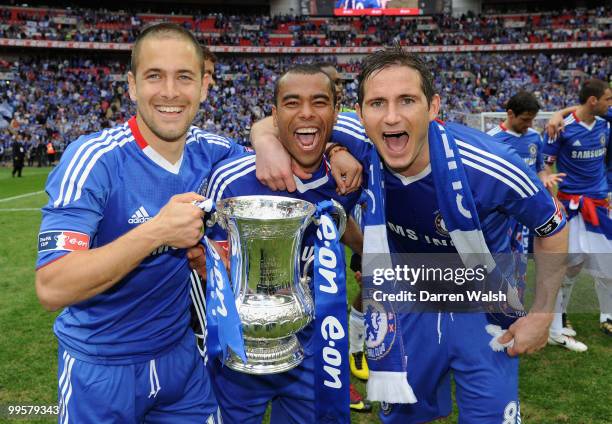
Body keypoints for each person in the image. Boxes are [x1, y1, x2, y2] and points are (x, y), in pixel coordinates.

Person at [253, 47, 568, 423]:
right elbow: (279, 121)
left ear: (433, 107)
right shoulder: (357, 136)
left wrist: (542, 314)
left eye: (407, 100)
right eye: (377, 103)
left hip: (484, 308)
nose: (390, 116)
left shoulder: (490, 165)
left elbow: (553, 227)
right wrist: (269, 143)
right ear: (359, 113)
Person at [35, 23, 246, 423]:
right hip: (100, 368)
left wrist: (327, 149)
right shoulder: (95, 159)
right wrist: (157, 232)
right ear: (131, 86)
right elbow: (52, 285)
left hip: (181, 360)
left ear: (204, 86)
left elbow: (272, 148)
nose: (169, 91)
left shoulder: (215, 151)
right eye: (154, 76)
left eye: (183, 77)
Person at [199, 64, 363, 423]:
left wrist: (364, 252)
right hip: (238, 355)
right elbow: (204, 259)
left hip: (311, 351)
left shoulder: (347, 178)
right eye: (292, 103)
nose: (306, 112)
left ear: (336, 112)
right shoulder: (231, 180)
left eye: (319, 102)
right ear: (274, 115)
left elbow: (339, 220)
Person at [542, 78, 612, 341]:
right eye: (608, 99)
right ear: (594, 100)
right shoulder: (562, 129)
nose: (610, 103)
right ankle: (560, 318)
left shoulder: (606, 123)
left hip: (600, 204)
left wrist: (559, 110)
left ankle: (608, 316)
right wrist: (550, 189)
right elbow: (546, 165)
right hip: (571, 206)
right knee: (569, 266)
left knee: (609, 262)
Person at [486, 91, 566, 306]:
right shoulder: (492, 140)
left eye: (532, 119)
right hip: (500, 217)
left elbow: (540, 168)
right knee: (498, 264)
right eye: (525, 119)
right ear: (510, 113)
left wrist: (546, 181)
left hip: (527, 215)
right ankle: (493, 309)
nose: (529, 124)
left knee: (521, 265)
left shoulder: (534, 138)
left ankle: (514, 309)